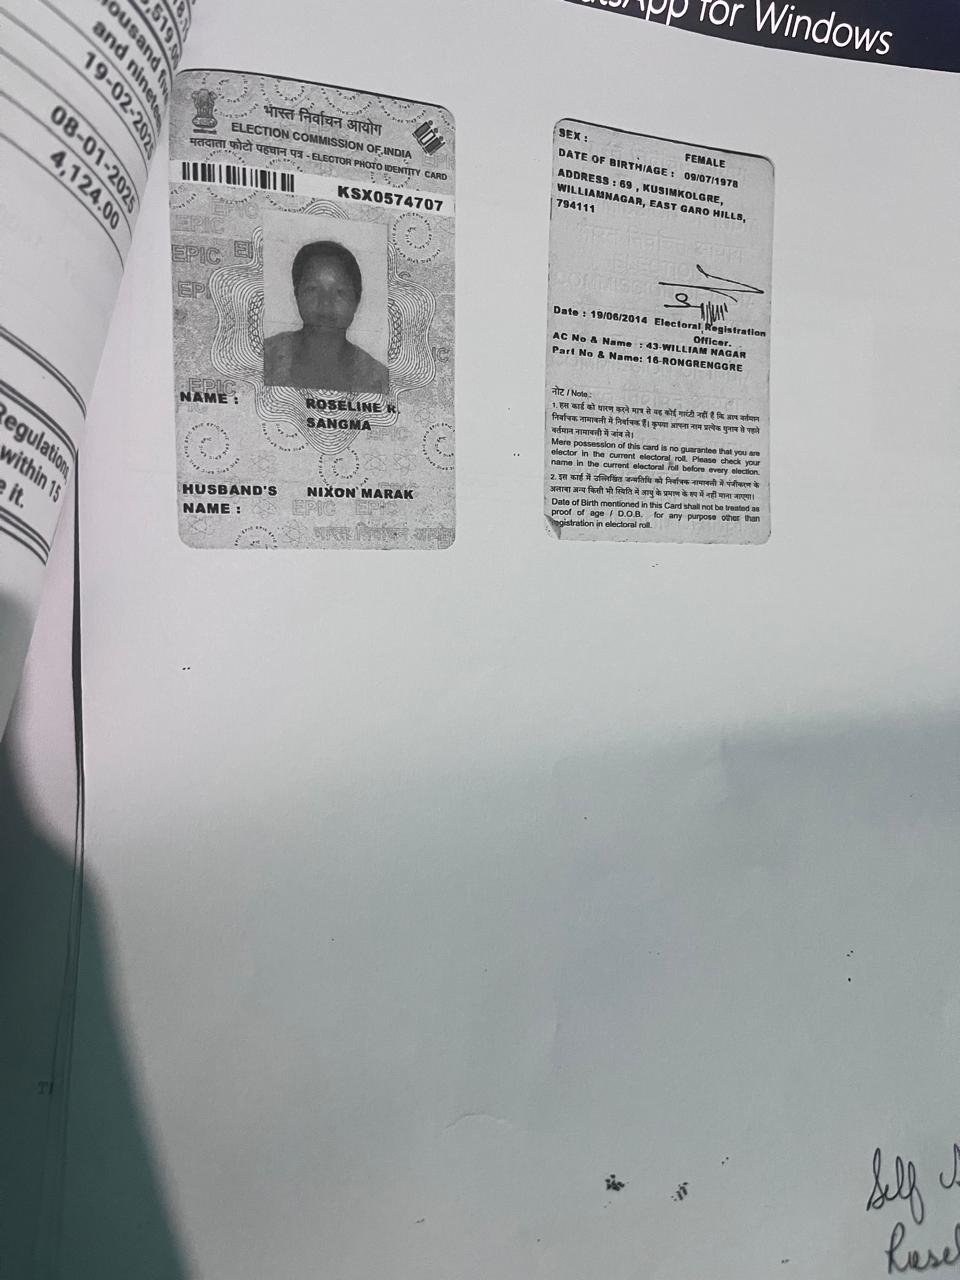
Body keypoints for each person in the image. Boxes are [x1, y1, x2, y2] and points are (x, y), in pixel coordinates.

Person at [263, 240, 389, 394]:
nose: (325, 304)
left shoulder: (379, 381)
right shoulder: (263, 358)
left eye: (340, 292)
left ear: (356, 301)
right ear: (297, 295)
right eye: (313, 289)